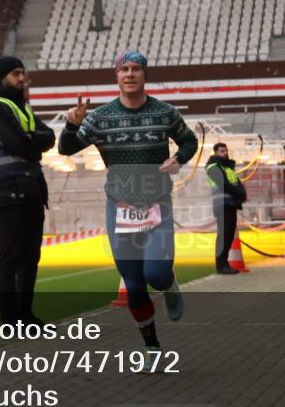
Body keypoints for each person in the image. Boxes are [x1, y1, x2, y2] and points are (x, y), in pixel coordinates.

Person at [59, 50, 198, 368]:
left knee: (156, 274)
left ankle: (169, 282)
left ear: (144, 75)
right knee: (134, 283)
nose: (130, 74)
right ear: (117, 76)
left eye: (136, 69)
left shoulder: (165, 113)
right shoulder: (101, 117)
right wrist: (71, 125)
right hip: (119, 208)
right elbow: (66, 149)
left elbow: (189, 141)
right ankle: (151, 348)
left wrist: (178, 159)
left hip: (157, 205)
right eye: (125, 69)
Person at [0, 56, 56, 327]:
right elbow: (23, 145)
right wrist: (34, 143)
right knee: (11, 255)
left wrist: (33, 141)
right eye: (15, 73)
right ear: (2, 77)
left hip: (31, 188)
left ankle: (26, 316)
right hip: (9, 190)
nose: (21, 78)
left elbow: (49, 137)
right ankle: (10, 320)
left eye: (23, 72)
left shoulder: (20, 106)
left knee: (30, 256)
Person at [205, 143, 247, 274]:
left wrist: (241, 193)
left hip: (230, 204)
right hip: (222, 205)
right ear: (215, 152)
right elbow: (224, 185)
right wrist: (240, 194)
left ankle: (224, 263)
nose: (225, 153)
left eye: (226, 150)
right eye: (222, 151)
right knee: (224, 236)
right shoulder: (213, 167)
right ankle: (221, 265)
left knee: (228, 236)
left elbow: (236, 183)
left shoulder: (227, 167)